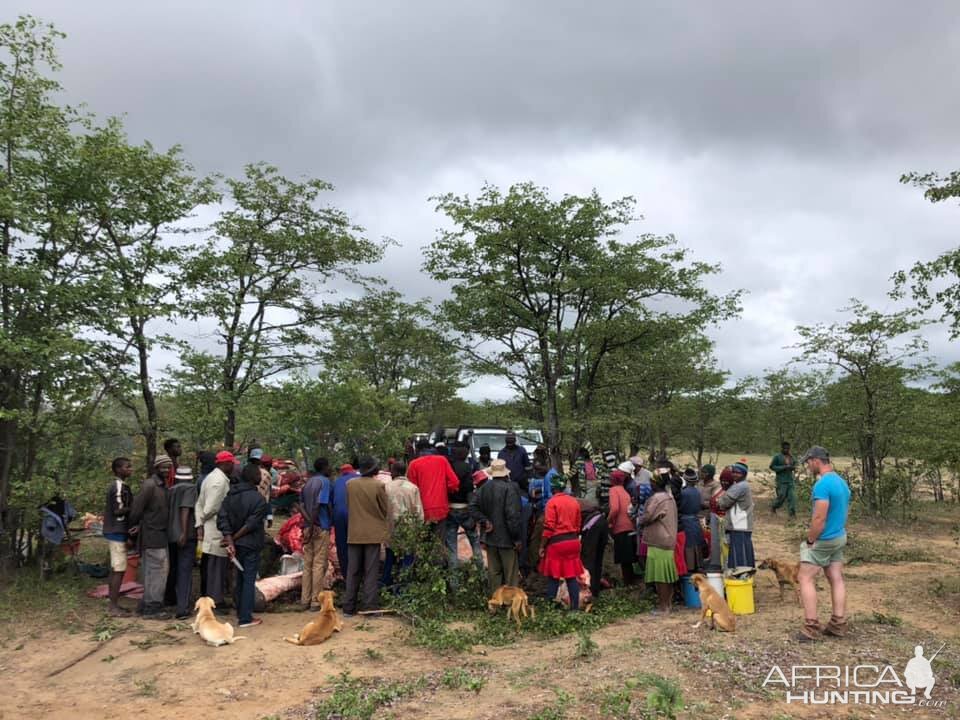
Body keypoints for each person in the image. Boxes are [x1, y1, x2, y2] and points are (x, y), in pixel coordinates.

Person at [797, 446, 851, 642]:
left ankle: (810, 626)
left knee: (805, 577)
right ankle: (838, 623)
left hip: (825, 538)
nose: (807, 466)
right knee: (835, 577)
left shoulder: (822, 485)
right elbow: (844, 512)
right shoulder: (841, 482)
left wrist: (811, 540)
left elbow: (819, 517)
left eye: (808, 462)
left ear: (815, 461)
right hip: (839, 536)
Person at [218, 463, 269, 628]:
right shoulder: (259, 499)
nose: (261, 477)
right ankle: (245, 618)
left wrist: (229, 538)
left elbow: (222, 518)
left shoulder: (230, 497)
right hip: (250, 544)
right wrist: (233, 538)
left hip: (236, 545)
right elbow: (251, 524)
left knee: (239, 578)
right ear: (253, 477)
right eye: (258, 474)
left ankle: (241, 611)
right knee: (248, 580)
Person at [342, 456, 389, 617]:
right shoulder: (379, 485)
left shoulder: (350, 485)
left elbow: (349, 506)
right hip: (373, 533)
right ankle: (370, 607)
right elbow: (385, 509)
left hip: (354, 532)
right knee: (371, 571)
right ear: (374, 469)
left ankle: (349, 607)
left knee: (353, 570)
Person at [129, 454, 173, 619]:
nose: (166, 470)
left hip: (159, 534)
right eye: (163, 467)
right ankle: (153, 608)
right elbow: (136, 510)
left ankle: (147, 604)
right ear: (156, 468)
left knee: (154, 570)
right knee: (157, 571)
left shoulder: (162, 486)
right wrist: (135, 527)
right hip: (152, 535)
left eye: (168, 467)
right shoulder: (150, 485)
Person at [469, 459, 522, 590]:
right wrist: (516, 538)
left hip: (490, 537)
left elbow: (472, 507)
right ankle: (510, 604)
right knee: (510, 574)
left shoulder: (483, 488)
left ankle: (495, 602)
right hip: (507, 538)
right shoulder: (510, 488)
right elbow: (512, 516)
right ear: (506, 473)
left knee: (494, 572)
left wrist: (484, 520)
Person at [539, 474, 584, 610]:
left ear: (552, 488)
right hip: (573, 542)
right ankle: (575, 609)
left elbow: (549, 527)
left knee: (554, 576)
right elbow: (578, 524)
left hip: (557, 544)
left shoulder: (551, 503)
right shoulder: (574, 501)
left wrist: (542, 546)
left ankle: (550, 609)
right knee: (571, 576)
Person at [195, 451, 234, 606]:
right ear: (224, 464)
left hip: (209, 527)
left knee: (210, 565)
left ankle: (210, 599)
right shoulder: (219, 481)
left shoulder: (210, 477)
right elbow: (211, 507)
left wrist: (200, 522)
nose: (232, 467)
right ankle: (215, 600)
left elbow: (199, 503)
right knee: (216, 567)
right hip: (215, 528)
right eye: (231, 464)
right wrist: (202, 520)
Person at [639, 467, 678, 614]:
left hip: (659, 541)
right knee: (667, 576)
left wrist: (638, 520)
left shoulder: (657, 499)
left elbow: (647, 517)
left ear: (655, 483)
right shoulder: (669, 497)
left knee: (660, 577)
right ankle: (667, 605)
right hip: (669, 539)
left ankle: (663, 607)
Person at [382, 461, 424, 589]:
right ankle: (405, 588)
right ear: (405, 471)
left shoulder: (386, 487)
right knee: (407, 558)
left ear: (393, 472)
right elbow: (419, 513)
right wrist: (419, 531)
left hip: (390, 530)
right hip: (409, 530)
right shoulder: (413, 488)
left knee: (390, 558)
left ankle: (386, 585)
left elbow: (382, 510)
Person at [299, 457, 333, 611]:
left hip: (307, 526)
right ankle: (315, 601)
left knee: (307, 564)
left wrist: (308, 523)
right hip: (320, 526)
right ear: (324, 467)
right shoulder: (325, 482)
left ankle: (304, 600)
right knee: (319, 564)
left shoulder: (308, 483)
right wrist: (314, 523)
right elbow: (320, 504)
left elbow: (300, 505)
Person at [103, 457, 134, 616]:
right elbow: (118, 511)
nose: (130, 469)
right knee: (118, 569)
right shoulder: (118, 486)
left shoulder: (123, 486)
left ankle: (114, 604)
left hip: (117, 531)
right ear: (118, 469)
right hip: (117, 532)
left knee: (117, 568)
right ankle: (113, 607)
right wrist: (134, 508)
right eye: (127, 467)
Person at [168, 466, 198, 620]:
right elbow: (185, 509)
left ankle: (170, 599)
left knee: (174, 568)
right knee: (185, 571)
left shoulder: (171, 490)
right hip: (185, 536)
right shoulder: (190, 489)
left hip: (170, 535)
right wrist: (184, 532)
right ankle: (182, 608)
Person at [407, 439, 459, 528]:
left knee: (424, 540)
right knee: (440, 539)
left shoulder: (413, 464)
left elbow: (411, 489)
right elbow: (454, 482)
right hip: (441, 508)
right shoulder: (442, 460)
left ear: (417, 450)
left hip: (422, 509)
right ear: (430, 447)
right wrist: (445, 490)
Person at [716, 461, 756, 576]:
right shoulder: (740, 485)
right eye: (733, 472)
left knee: (740, 555)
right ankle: (745, 578)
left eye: (738, 473)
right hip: (741, 525)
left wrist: (719, 501)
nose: (734, 474)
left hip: (739, 525)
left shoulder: (740, 486)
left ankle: (742, 578)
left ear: (744, 474)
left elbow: (723, 503)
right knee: (743, 553)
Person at [446, 443, 482, 569]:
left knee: (451, 546)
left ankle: (454, 582)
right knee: (475, 542)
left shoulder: (449, 466)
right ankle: (481, 575)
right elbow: (469, 489)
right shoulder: (467, 467)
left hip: (450, 509)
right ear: (466, 454)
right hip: (465, 508)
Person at [607, 469, 636, 585]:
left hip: (620, 527)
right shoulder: (624, 490)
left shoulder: (613, 490)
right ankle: (631, 581)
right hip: (630, 525)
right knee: (629, 558)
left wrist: (607, 521)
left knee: (624, 558)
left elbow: (614, 509)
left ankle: (628, 583)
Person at [332, 463, 359, 582]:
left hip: (338, 516)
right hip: (355, 515)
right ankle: (358, 574)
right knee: (357, 544)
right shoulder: (359, 479)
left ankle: (346, 576)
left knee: (342, 546)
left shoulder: (336, 482)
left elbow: (332, 502)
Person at [578, 498, 608, 599]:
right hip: (602, 522)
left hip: (593, 525)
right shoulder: (580, 502)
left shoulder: (569, 504)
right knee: (597, 560)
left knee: (588, 560)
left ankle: (588, 591)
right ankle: (595, 591)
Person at [678, 468, 705, 574]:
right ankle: (699, 565)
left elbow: (681, 507)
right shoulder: (697, 491)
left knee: (688, 544)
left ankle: (690, 567)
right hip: (695, 519)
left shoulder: (683, 492)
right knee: (697, 543)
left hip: (686, 520)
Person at [770, 441, 798, 519]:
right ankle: (774, 506)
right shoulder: (777, 457)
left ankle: (792, 514)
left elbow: (795, 464)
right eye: (785, 448)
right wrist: (783, 467)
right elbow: (772, 466)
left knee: (792, 497)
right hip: (781, 481)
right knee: (781, 496)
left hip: (790, 480)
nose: (786, 450)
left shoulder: (791, 456)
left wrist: (793, 467)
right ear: (782, 448)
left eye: (788, 448)